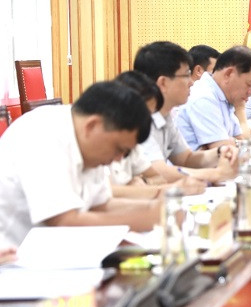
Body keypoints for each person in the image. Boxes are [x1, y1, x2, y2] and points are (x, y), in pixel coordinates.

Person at [0, 81, 161, 248]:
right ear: (92, 125)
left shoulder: (89, 144)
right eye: (118, 149)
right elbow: (64, 223)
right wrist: (152, 217)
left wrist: (157, 207)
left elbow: (101, 205)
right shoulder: (41, 134)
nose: (118, 159)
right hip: (12, 257)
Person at [133, 41, 239, 183]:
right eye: (186, 75)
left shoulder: (165, 114)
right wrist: (215, 174)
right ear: (163, 82)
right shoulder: (140, 117)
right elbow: (157, 171)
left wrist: (220, 152)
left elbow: (186, 159)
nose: (191, 82)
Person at [109, 71, 204, 198]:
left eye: (149, 115)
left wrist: (145, 182)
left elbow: (158, 178)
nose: (146, 121)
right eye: (143, 113)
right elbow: (105, 194)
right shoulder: (101, 142)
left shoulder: (132, 144)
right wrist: (172, 188)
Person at [177, 46, 251, 150]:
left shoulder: (224, 97)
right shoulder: (204, 97)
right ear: (229, 74)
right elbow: (224, 151)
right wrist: (237, 142)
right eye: (250, 84)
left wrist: (234, 141)